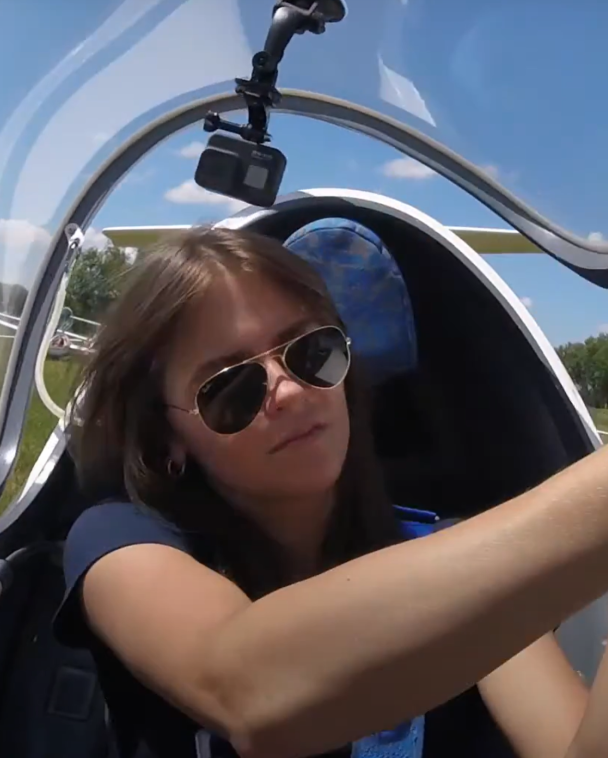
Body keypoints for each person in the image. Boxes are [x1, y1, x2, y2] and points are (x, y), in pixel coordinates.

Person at [53, 225, 608, 758]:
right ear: (167, 438)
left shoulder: (448, 553)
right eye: (232, 388)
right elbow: (247, 692)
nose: (291, 393)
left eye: (311, 352)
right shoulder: (118, 543)